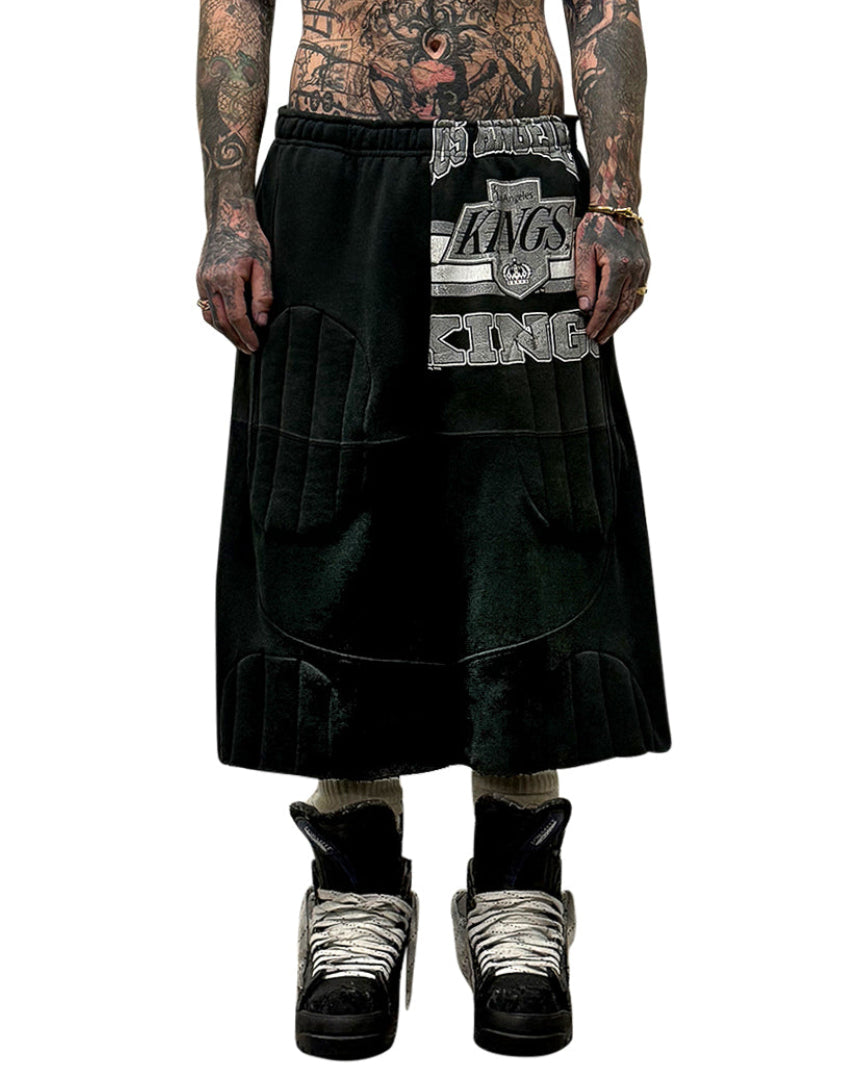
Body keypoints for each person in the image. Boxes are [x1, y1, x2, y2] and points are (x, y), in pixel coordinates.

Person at [196, 0, 671, 1060]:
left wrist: (617, 199)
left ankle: (516, 884)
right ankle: (355, 885)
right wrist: (229, 209)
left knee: (526, 511)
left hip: (509, 159)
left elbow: (603, 4)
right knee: (332, 504)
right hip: (330, 166)